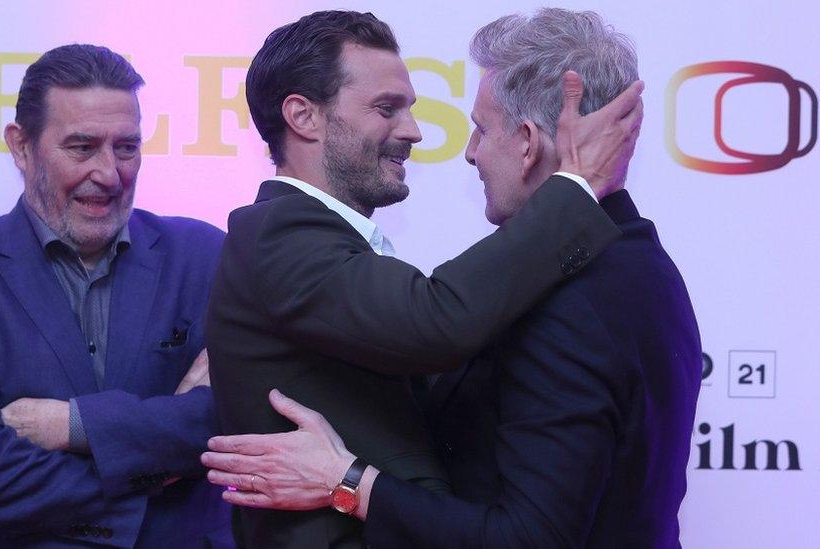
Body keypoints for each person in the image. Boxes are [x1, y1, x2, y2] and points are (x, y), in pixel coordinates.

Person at [202, 8, 701, 548]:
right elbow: (435, 321)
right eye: (386, 108)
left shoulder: (568, 292)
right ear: (304, 117)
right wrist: (576, 187)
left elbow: (530, 535)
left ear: (530, 143)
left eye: (480, 130)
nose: (428, 138)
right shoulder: (644, 265)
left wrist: (347, 482)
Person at [0, 44, 232, 548]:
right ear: (21, 146)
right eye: (81, 147)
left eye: (127, 147)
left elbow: (234, 418)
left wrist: (73, 425)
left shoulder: (205, 257)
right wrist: (155, 465)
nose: (109, 172)